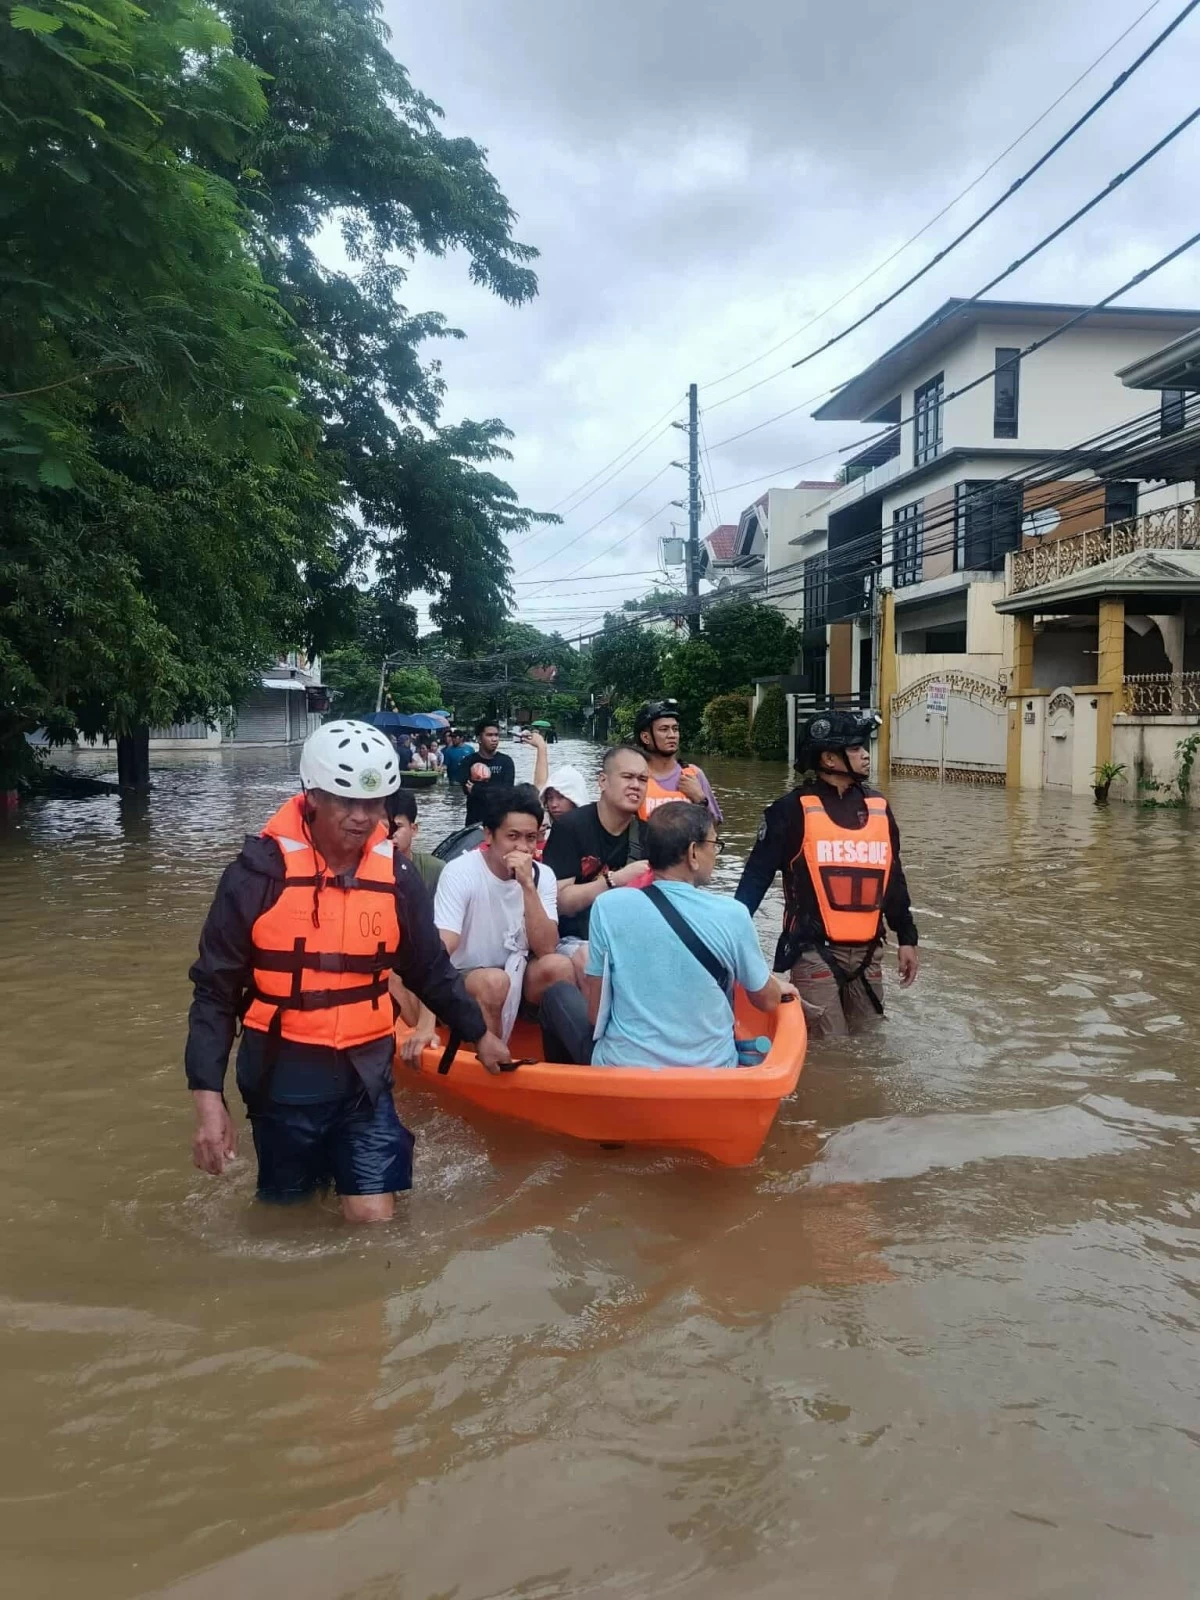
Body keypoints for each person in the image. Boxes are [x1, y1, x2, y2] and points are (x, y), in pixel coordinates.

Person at [185, 719, 510, 1221]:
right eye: (346, 802)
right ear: (312, 795)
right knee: (286, 1214)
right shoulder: (254, 876)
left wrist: (479, 1033)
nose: (362, 818)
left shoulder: (397, 876)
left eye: (374, 803)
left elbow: (428, 967)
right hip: (281, 1077)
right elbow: (214, 994)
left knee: (374, 1218)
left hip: (364, 1075)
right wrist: (209, 1101)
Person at [539, 803, 796, 1067]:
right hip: (711, 1070)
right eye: (713, 845)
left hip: (622, 1068)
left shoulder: (608, 907)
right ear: (693, 852)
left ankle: (571, 1091)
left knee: (556, 995)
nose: (715, 855)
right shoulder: (732, 914)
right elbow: (765, 1001)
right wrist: (775, 986)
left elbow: (595, 1015)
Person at [734, 709, 919, 1039]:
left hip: (868, 954)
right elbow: (754, 881)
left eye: (865, 747)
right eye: (856, 748)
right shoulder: (789, 812)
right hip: (812, 952)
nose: (865, 755)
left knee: (870, 1046)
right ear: (830, 758)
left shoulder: (878, 808)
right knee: (829, 1051)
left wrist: (907, 939)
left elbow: (893, 879)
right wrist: (729, 943)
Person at [432, 784, 576, 1041]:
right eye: (513, 837)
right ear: (488, 836)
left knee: (559, 966)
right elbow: (442, 948)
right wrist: (424, 1020)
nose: (523, 847)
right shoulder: (460, 872)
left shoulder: (543, 877)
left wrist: (528, 887)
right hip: (468, 977)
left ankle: (556, 1052)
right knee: (495, 982)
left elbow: (546, 949)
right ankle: (492, 1058)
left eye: (530, 838)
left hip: (518, 973)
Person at [541, 745, 650, 961]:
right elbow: (558, 902)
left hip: (626, 936)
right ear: (603, 781)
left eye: (643, 779)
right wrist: (615, 880)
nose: (636, 785)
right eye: (627, 777)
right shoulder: (570, 827)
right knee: (589, 957)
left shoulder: (648, 834)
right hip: (573, 938)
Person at [633, 698, 722, 821]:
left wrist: (700, 799)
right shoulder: (634, 777)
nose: (672, 735)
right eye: (664, 729)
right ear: (645, 737)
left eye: (675, 729)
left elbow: (714, 828)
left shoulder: (694, 775)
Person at [385, 789, 442, 894]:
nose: (390, 834)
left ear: (413, 829)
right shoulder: (361, 870)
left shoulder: (436, 871)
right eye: (384, 827)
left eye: (397, 827)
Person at [463, 717, 516, 824]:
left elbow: (507, 793)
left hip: (501, 821)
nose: (494, 739)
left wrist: (477, 789)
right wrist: (495, 790)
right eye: (489, 735)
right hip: (475, 822)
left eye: (496, 735)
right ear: (479, 738)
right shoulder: (468, 761)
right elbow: (466, 789)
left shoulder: (506, 761)